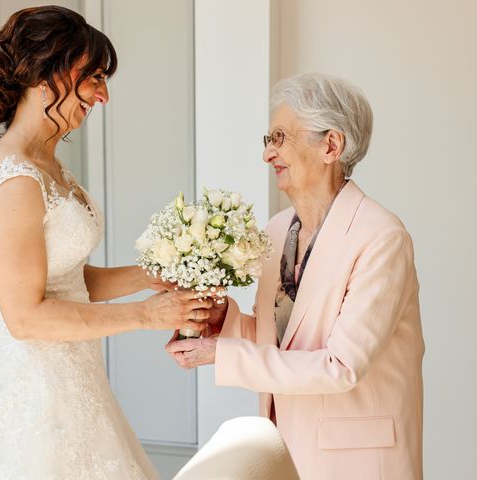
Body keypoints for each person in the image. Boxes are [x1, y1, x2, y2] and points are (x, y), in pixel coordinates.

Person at [0, 6, 211, 479]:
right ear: (47, 74)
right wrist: (146, 314)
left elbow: (65, 282)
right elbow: (26, 316)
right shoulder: (15, 180)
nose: (103, 95)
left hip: (75, 377)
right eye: (95, 78)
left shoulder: (49, 163)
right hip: (36, 395)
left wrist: (148, 277)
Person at [166, 73, 424, 480]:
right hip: (284, 449)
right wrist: (225, 325)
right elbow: (286, 342)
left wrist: (223, 355)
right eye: (267, 140)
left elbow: (339, 365)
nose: (268, 155)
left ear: (331, 145)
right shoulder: (275, 230)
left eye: (280, 138)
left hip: (356, 461)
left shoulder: (381, 237)